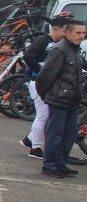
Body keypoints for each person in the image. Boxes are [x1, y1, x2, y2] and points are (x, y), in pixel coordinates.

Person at [35, 19, 86, 178]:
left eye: (84, 33)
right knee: (55, 134)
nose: (81, 36)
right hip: (59, 100)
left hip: (72, 100)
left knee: (70, 134)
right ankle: (50, 166)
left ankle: (61, 164)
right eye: (78, 33)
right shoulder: (60, 50)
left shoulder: (75, 50)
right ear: (67, 33)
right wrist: (47, 96)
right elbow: (45, 77)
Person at [22, 14, 70, 160]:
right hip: (36, 81)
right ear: (56, 29)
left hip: (45, 81)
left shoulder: (60, 44)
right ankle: (35, 147)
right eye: (65, 31)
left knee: (46, 114)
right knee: (43, 115)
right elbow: (28, 56)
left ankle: (29, 140)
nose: (66, 34)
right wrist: (40, 71)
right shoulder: (43, 40)